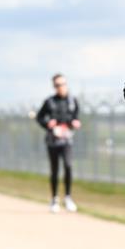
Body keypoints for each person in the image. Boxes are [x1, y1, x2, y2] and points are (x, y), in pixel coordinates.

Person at [35, 73, 81, 212]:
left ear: (66, 84)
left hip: (67, 139)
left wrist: (74, 123)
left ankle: (68, 197)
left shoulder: (73, 101)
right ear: (54, 86)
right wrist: (48, 123)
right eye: (57, 85)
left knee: (68, 165)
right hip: (53, 141)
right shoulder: (49, 102)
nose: (60, 87)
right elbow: (40, 117)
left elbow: (75, 118)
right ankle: (54, 199)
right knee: (54, 170)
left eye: (62, 84)